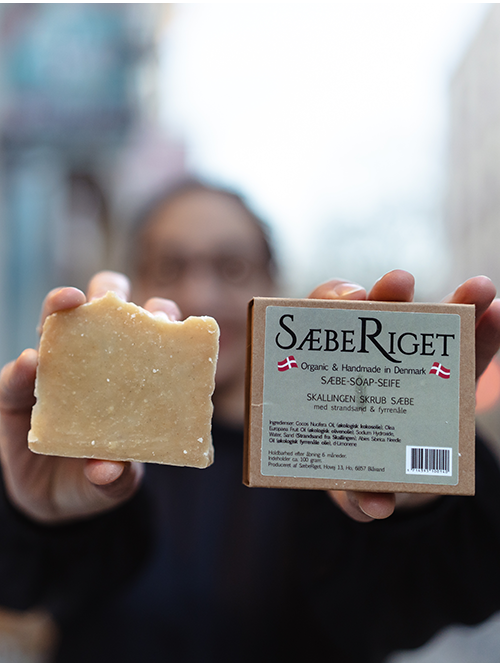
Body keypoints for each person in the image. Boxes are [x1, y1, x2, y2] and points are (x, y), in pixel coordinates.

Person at [1, 179, 500, 661]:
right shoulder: (87, 448)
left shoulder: (337, 440)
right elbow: (26, 592)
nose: (202, 296)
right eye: (170, 268)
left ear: (272, 286)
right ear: (135, 287)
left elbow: (436, 602)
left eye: (233, 267)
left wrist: (419, 511)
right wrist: (37, 523)